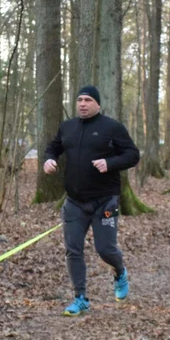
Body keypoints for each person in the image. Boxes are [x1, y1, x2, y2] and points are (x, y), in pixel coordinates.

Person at [43, 86, 140, 316]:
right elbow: (53, 147)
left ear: (97, 104)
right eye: (79, 100)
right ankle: (80, 298)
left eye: (87, 100)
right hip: (75, 202)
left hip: (104, 201)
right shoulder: (68, 127)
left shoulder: (112, 127)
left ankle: (119, 272)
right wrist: (48, 159)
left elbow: (133, 155)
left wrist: (110, 163)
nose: (82, 104)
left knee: (105, 249)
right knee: (72, 249)